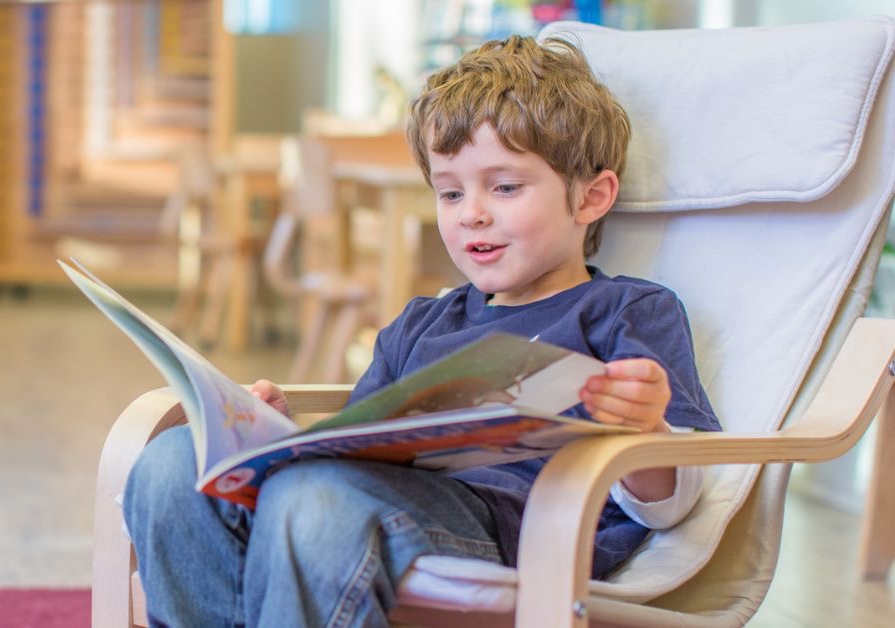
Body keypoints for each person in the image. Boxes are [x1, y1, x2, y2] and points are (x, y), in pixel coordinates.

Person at [124, 35, 721, 627]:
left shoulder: (626, 310)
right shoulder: (421, 323)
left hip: (513, 529)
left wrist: (644, 429)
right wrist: (279, 432)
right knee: (174, 462)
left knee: (318, 501)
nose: (472, 213)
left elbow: (674, 503)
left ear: (591, 197)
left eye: (505, 186)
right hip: (376, 504)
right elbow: (353, 450)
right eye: (450, 192)